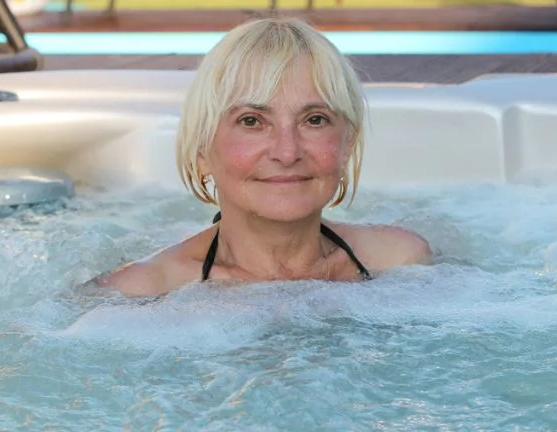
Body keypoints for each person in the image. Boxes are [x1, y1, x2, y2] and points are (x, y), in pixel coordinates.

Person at [95, 17, 432, 297]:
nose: (287, 152)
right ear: (201, 150)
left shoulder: (402, 263)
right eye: (252, 121)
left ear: (348, 144)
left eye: (314, 120)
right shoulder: (141, 294)